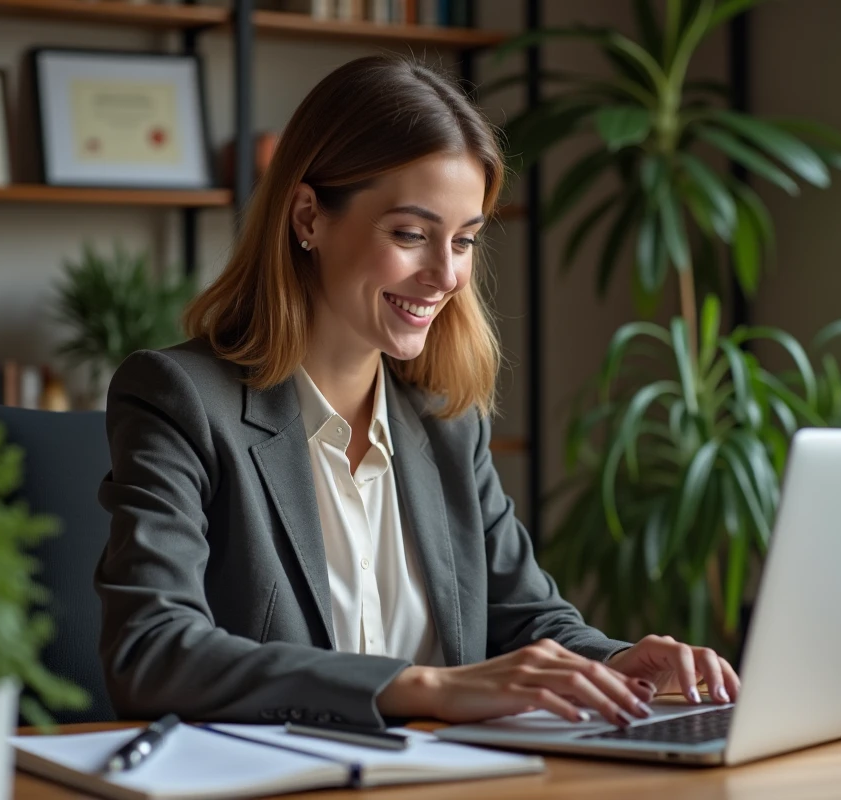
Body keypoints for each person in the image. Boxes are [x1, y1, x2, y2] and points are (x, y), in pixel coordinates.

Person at [95, 54, 739, 731]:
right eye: (411, 235)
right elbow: (150, 650)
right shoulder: (182, 400)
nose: (445, 275)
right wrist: (422, 687)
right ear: (309, 217)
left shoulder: (443, 422)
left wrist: (619, 662)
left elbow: (528, 619)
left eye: (464, 241)